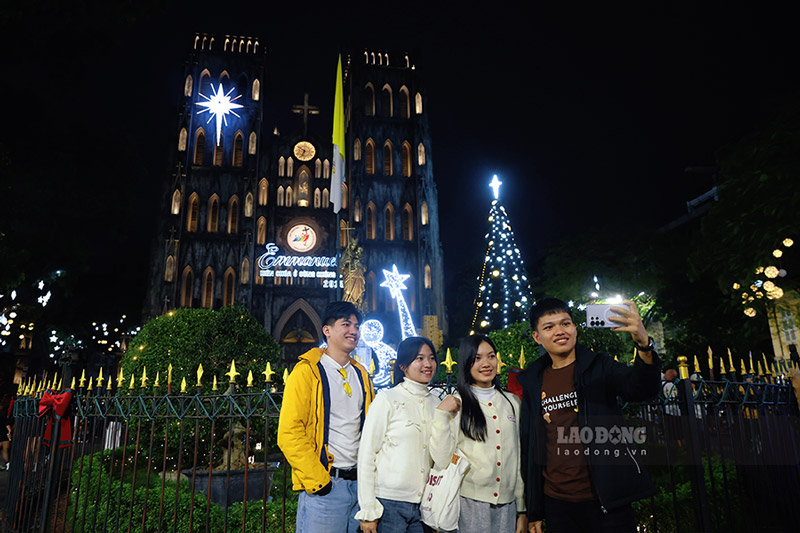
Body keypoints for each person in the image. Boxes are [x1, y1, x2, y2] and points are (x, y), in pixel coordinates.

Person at [518, 298, 660, 533]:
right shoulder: (533, 380)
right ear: (537, 337)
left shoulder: (599, 366)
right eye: (549, 327)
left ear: (575, 328)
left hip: (606, 501)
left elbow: (640, 389)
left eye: (565, 323)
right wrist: (535, 511)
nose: (559, 331)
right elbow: (531, 446)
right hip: (557, 503)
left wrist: (643, 344)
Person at [278, 301, 375, 533]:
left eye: (357, 325)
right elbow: (289, 433)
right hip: (327, 487)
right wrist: (319, 481)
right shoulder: (307, 371)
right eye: (346, 324)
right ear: (327, 330)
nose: (354, 330)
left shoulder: (361, 374)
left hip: (359, 487)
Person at [431, 334, 527, 533]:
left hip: (507, 503)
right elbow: (441, 459)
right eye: (477, 358)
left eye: (491, 356)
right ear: (466, 363)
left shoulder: (512, 402)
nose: (486, 363)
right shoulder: (458, 403)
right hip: (470, 501)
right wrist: (441, 415)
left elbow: (518, 457)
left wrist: (522, 508)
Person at [356, 336, 440, 533]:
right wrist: (369, 510)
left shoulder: (437, 404)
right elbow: (367, 455)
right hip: (388, 505)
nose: (427, 364)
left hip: (425, 506)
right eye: (419, 358)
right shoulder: (387, 399)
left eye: (431, 358)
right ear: (403, 365)